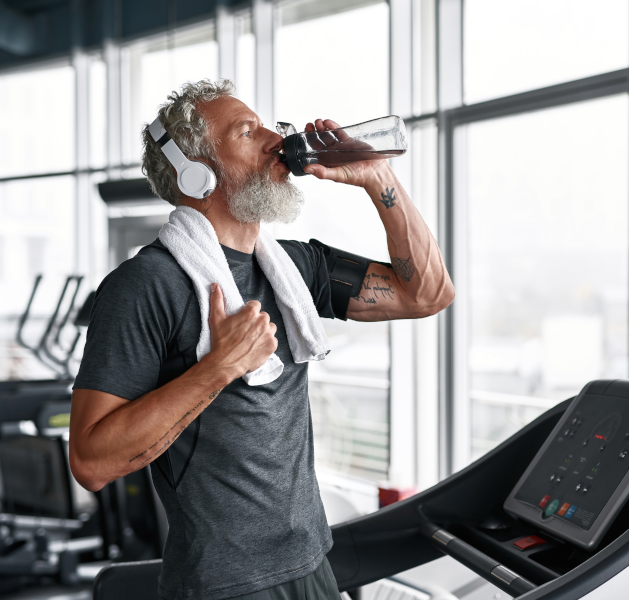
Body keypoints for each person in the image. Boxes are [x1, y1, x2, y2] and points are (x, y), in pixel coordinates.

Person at [68, 79, 454, 600]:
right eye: (247, 132)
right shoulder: (146, 285)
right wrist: (218, 368)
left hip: (313, 565)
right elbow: (91, 463)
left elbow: (427, 293)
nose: (276, 139)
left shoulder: (292, 268)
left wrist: (377, 178)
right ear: (195, 172)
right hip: (223, 587)